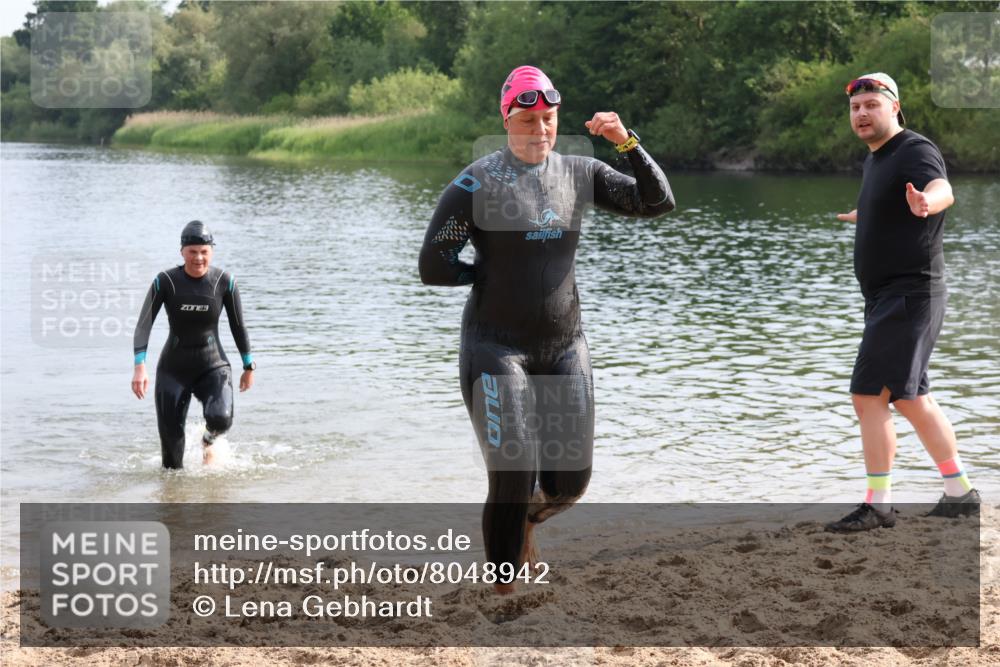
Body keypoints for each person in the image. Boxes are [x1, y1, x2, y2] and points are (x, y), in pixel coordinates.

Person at [419, 65, 674, 592]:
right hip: (495, 347)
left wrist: (625, 142)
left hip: (563, 346)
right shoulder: (477, 182)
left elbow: (657, 203)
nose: (540, 130)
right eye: (528, 118)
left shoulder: (580, 173)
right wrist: (484, 274)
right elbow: (434, 264)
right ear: (505, 118)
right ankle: (503, 586)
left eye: (549, 119)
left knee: (569, 484)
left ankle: (523, 526)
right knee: (513, 472)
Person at [826, 73, 980, 533]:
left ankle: (878, 505)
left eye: (872, 104)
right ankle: (960, 494)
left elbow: (941, 189)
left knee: (868, 395)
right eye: (856, 108)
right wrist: (869, 213)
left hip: (909, 294)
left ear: (895, 107)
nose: (862, 114)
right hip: (888, 298)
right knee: (912, 399)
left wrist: (927, 204)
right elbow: (894, 201)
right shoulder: (877, 159)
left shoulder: (914, 148)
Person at [132, 221, 256, 469]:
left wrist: (248, 365)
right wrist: (139, 367)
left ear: (211, 251)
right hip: (173, 370)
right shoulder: (165, 281)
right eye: (192, 251)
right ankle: (173, 505)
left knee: (221, 419)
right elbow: (143, 325)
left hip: (213, 365)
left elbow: (238, 325)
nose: (198, 258)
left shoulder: (224, 281)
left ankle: (208, 443)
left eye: (204, 251)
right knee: (171, 462)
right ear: (182, 251)